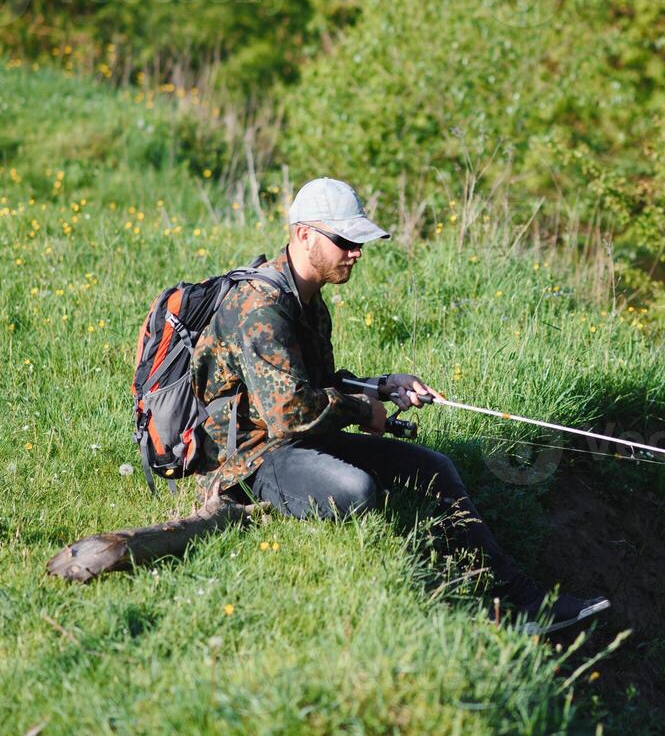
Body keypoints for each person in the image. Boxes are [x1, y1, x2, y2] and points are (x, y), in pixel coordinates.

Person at [189, 176, 608, 636]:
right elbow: (289, 413)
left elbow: (320, 384)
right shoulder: (262, 306)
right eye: (345, 240)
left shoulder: (309, 301)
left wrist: (383, 387)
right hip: (246, 457)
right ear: (304, 234)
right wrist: (363, 412)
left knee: (434, 467)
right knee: (355, 491)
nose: (356, 252)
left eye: (359, 241)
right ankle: (451, 615)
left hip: (293, 440)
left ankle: (524, 603)